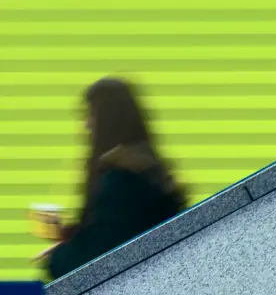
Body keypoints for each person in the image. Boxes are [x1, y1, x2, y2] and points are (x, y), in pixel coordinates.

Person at [38, 78, 186, 280]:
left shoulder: (122, 183)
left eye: (91, 115)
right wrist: (72, 235)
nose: (87, 125)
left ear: (107, 120)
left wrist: (56, 258)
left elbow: (96, 262)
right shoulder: (149, 169)